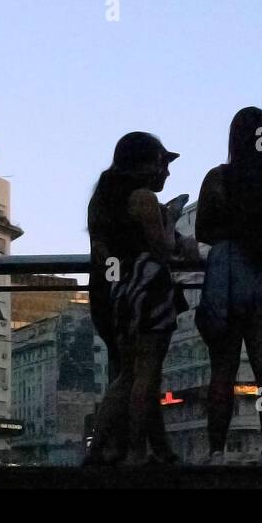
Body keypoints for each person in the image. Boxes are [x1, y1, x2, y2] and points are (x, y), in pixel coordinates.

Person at [193, 107, 262, 465]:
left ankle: (217, 450)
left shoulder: (217, 179)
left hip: (228, 274)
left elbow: (202, 229)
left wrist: (230, 232)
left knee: (223, 368)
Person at [87, 132, 185, 466]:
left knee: (126, 374)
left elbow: (102, 250)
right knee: (146, 373)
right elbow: (162, 249)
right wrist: (170, 221)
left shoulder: (102, 199)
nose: (167, 172)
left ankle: (99, 449)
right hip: (150, 289)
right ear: (145, 164)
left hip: (117, 293)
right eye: (162, 163)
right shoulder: (143, 199)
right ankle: (135, 451)